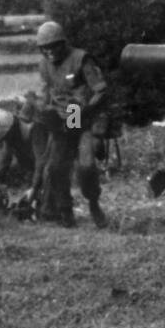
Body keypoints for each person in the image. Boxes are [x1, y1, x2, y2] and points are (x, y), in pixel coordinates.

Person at [34, 21, 109, 228]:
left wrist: (85, 110)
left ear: (62, 43)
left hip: (82, 119)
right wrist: (39, 106)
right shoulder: (44, 65)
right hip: (61, 121)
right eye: (44, 48)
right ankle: (65, 211)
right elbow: (45, 91)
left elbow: (100, 90)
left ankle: (94, 203)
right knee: (55, 168)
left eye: (53, 46)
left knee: (86, 167)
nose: (49, 52)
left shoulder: (81, 59)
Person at [0, 104, 48, 213]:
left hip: (53, 164)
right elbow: (5, 156)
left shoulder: (36, 129)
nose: (5, 141)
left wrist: (34, 187)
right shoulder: (11, 136)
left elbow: (41, 161)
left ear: (10, 131)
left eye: (5, 138)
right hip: (35, 166)